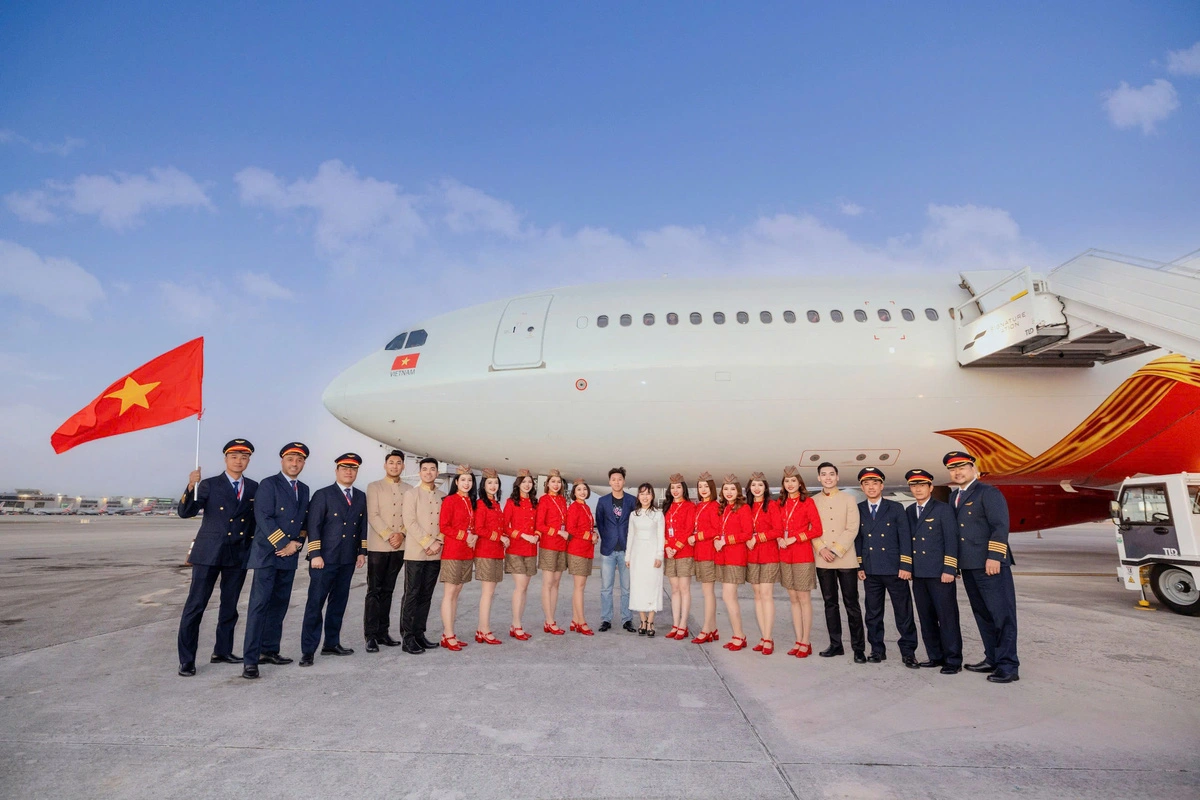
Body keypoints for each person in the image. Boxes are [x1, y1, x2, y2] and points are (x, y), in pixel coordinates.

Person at [176, 438, 257, 676]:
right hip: (209, 552)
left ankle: (222, 650)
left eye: (244, 457)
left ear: (248, 460)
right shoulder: (209, 484)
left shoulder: (254, 487)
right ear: (226, 459)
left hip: (238, 554)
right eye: (234, 457)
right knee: (196, 606)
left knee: (230, 607)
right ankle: (187, 659)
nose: (239, 461)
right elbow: (185, 512)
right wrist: (191, 486)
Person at [944, 451, 1020, 683]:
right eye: (953, 469)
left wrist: (995, 556)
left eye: (962, 467)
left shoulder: (988, 492)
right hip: (969, 565)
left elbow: (1000, 526)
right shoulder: (954, 497)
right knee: (983, 614)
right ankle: (992, 658)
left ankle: (1008, 665)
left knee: (1002, 615)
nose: (957, 472)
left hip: (990, 564)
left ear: (973, 469)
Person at [242, 442, 310, 679]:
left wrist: (297, 544)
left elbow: (303, 521)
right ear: (282, 461)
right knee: (259, 607)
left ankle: (269, 650)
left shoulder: (304, 488)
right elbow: (263, 516)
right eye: (291, 459)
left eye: (299, 460)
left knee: (279, 606)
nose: (295, 464)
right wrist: (284, 544)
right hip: (268, 555)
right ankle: (250, 660)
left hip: (289, 557)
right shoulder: (269, 484)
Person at [299, 453, 368, 666]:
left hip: (346, 559)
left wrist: (361, 551)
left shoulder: (360, 496)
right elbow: (314, 526)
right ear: (337, 470)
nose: (349, 472)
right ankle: (308, 650)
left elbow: (362, 525)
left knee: (338, 603)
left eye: (353, 468)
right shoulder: (323, 495)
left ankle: (331, 643)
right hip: (324, 559)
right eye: (345, 468)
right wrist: (315, 554)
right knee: (315, 604)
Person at [855, 467, 919, 668]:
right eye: (866, 484)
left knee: (903, 613)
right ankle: (876, 649)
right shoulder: (859, 509)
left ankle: (908, 652)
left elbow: (905, 538)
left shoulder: (895, 508)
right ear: (862, 487)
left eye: (875, 483)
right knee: (873, 613)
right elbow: (858, 539)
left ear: (881, 486)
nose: (871, 487)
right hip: (871, 569)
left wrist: (905, 564)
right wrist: (860, 565)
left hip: (894, 569)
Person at [905, 468, 962, 674]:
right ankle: (935, 656)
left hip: (940, 574)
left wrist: (950, 568)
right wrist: (908, 567)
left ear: (930, 487)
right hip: (919, 574)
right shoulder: (910, 511)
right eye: (914, 486)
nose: (918, 489)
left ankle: (953, 660)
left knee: (947, 617)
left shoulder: (943, 509)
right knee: (926, 617)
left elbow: (951, 540)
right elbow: (907, 542)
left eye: (922, 485)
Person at [812, 462, 866, 662]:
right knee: (830, 603)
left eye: (831, 474)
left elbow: (852, 528)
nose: (828, 478)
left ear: (837, 477)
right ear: (819, 478)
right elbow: (811, 527)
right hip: (823, 559)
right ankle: (836, 645)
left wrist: (835, 549)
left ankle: (858, 648)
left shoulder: (849, 499)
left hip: (845, 558)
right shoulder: (813, 501)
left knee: (851, 604)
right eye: (824, 474)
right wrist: (822, 548)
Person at [364, 449, 410, 652]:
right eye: (391, 462)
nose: (394, 466)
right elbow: (373, 515)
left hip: (399, 546)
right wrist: (389, 534)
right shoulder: (374, 487)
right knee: (374, 590)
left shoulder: (409, 489)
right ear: (385, 465)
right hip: (379, 546)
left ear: (403, 466)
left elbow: (410, 516)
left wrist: (401, 534)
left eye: (398, 463)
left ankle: (383, 632)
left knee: (389, 590)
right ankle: (370, 635)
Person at [776, 466, 823, 658]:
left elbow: (817, 530)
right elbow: (777, 526)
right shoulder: (780, 504)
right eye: (787, 481)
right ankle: (798, 640)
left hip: (802, 555)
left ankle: (806, 641)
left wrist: (796, 538)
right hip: (785, 555)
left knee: (804, 599)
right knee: (793, 599)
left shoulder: (807, 503)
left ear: (800, 483)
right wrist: (779, 537)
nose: (790, 484)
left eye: (793, 481)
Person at [399, 457, 444, 654]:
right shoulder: (412, 494)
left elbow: (445, 522)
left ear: (437, 472)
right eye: (424, 469)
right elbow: (409, 522)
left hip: (435, 553)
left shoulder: (443, 496)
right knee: (412, 594)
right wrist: (428, 542)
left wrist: (439, 542)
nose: (428, 472)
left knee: (426, 596)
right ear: (420, 473)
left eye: (432, 469)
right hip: (416, 552)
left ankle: (419, 634)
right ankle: (407, 638)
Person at [437, 465, 477, 651]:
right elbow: (444, 526)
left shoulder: (472, 502)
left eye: (469, 480)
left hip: (467, 552)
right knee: (450, 593)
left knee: (457, 593)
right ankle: (449, 634)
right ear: (456, 482)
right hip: (453, 552)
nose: (466, 483)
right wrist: (464, 536)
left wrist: (474, 536)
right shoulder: (450, 500)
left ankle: (449, 633)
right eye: (463, 480)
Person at [596, 467, 638, 632]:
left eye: (619, 479)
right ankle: (606, 619)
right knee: (606, 588)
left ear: (624, 481)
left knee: (627, 588)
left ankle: (627, 619)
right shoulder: (603, 501)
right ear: (609, 482)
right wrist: (607, 538)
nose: (616, 482)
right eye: (613, 479)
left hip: (627, 551)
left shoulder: (631, 501)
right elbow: (600, 522)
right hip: (608, 550)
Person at [745, 472, 781, 655]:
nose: (756, 488)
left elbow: (778, 530)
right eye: (753, 485)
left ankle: (768, 638)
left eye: (760, 485)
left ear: (765, 487)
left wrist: (758, 537)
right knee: (757, 595)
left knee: (766, 594)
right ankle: (763, 636)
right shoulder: (747, 507)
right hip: (752, 556)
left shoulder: (772, 505)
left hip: (768, 555)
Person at [716, 474, 752, 652]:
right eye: (725, 489)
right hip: (724, 557)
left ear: (738, 491)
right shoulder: (724, 508)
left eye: (732, 489)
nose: (729, 492)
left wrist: (726, 540)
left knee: (729, 597)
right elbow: (719, 530)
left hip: (735, 557)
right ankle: (737, 635)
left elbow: (747, 533)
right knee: (729, 597)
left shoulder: (743, 509)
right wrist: (717, 538)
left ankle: (740, 636)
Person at [473, 468, 508, 645]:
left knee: (490, 592)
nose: (493, 486)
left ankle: (481, 629)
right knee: (487, 593)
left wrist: (504, 537)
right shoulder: (481, 504)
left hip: (496, 551)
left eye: (495, 483)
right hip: (485, 552)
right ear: (483, 485)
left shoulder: (496, 504)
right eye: (489, 483)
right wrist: (499, 537)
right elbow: (478, 529)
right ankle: (485, 630)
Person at [503, 469, 539, 640]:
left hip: (531, 549)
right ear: (518, 484)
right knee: (521, 586)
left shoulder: (534, 502)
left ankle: (516, 624)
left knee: (524, 588)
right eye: (524, 482)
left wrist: (537, 536)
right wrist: (522, 535)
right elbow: (505, 527)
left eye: (529, 482)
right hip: (516, 548)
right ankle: (516, 625)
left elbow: (539, 524)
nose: (527, 484)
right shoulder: (511, 502)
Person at [626, 483, 665, 636]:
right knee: (638, 587)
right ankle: (642, 620)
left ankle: (651, 621)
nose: (645, 497)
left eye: (648, 493)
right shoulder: (633, 515)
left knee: (652, 587)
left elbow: (661, 536)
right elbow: (630, 536)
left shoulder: (658, 514)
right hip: (637, 555)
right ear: (638, 496)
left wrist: (659, 555)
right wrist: (628, 556)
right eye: (642, 493)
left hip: (652, 555)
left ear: (652, 496)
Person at [661, 473, 695, 640]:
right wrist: (667, 546)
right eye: (673, 488)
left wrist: (676, 547)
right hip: (670, 553)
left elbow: (689, 529)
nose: (675, 490)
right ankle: (675, 624)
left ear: (684, 489)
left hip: (684, 553)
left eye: (678, 487)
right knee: (674, 590)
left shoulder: (689, 506)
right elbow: (664, 529)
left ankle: (683, 624)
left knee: (684, 589)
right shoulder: (667, 507)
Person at [536, 469, 570, 635]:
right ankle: (550, 620)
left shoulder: (563, 500)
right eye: (553, 481)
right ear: (547, 484)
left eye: (558, 482)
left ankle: (550, 619)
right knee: (548, 583)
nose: (556, 484)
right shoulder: (544, 500)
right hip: (549, 545)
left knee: (556, 583)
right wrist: (557, 532)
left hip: (561, 546)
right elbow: (540, 525)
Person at [690, 472, 722, 643]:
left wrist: (697, 537)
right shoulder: (699, 506)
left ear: (712, 488)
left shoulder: (713, 506)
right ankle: (713, 629)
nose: (703, 489)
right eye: (700, 486)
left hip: (709, 553)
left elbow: (715, 530)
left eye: (706, 486)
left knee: (708, 593)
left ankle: (706, 629)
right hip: (700, 554)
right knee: (707, 592)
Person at [565, 477, 599, 635]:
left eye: (584, 489)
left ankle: (574, 619)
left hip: (585, 549)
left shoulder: (584, 507)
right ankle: (581, 622)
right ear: (574, 492)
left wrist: (593, 535)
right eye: (579, 490)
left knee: (579, 588)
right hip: (577, 550)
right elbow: (571, 529)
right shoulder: (574, 507)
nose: (582, 492)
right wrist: (588, 535)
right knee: (579, 588)